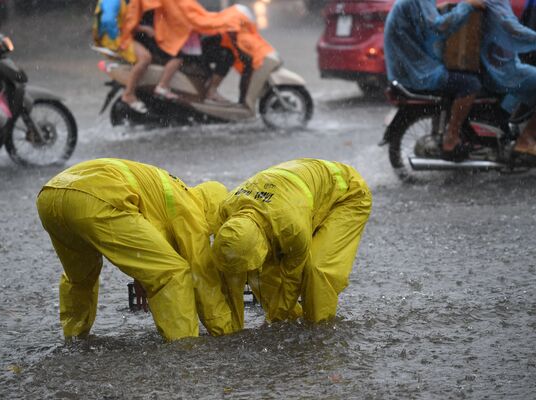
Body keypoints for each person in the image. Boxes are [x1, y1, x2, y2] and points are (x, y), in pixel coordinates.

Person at [36, 158, 237, 341]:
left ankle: (74, 339)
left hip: (51, 196)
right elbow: (202, 275)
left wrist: (142, 273)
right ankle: (184, 349)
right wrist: (226, 333)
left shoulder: (173, 190)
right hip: (95, 198)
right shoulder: (191, 209)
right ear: (214, 212)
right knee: (172, 273)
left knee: (80, 278)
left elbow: (145, 235)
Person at [210, 159, 372, 330]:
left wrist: (276, 325)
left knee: (316, 270)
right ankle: (292, 323)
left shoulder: (292, 228)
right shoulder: (225, 213)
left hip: (347, 194)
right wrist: (231, 329)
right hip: (295, 188)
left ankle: (319, 332)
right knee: (266, 276)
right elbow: (229, 275)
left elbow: (290, 281)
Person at [384, 0, 485, 160]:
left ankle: (448, 128)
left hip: (410, 68)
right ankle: (451, 137)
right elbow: (439, 27)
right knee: (471, 83)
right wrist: (467, 6)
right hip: (417, 72)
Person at [481, 0, 536, 159]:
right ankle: (527, 139)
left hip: (500, 62)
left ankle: (508, 118)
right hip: (501, 69)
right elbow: (512, 29)